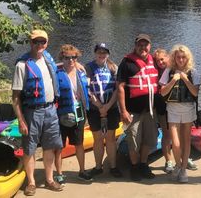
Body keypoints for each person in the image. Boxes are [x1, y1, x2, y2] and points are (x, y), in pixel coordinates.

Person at [11, 30, 63, 196]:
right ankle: (31, 182)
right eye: (36, 42)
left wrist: (75, 65)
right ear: (31, 43)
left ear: (47, 43)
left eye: (43, 42)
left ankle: (49, 179)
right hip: (32, 113)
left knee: (50, 147)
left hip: (50, 110)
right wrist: (21, 120)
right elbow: (16, 98)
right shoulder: (22, 65)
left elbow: (58, 71)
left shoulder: (48, 59)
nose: (40, 45)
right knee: (29, 148)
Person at [116, 34, 159, 181]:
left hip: (150, 111)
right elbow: (120, 87)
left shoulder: (154, 61)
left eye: (145, 44)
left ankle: (143, 164)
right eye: (140, 44)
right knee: (133, 141)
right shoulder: (127, 63)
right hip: (133, 111)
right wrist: (123, 111)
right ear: (135, 46)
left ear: (150, 46)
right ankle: (134, 167)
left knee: (149, 139)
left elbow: (169, 64)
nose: (143, 47)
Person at [159, 44, 199, 183]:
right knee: (175, 143)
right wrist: (174, 79)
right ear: (174, 58)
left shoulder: (192, 72)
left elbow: (195, 92)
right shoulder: (169, 71)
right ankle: (177, 164)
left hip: (188, 108)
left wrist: (185, 79)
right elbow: (163, 92)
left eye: (183, 57)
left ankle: (183, 169)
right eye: (178, 57)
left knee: (186, 140)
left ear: (187, 58)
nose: (181, 60)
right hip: (173, 108)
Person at [53, 44, 91, 183]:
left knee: (79, 143)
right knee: (59, 145)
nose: (71, 60)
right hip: (61, 113)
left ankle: (82, 171)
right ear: (62, 58)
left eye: (74, 57)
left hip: (78, 112)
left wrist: (77, 63)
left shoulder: (81, 72)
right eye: (67, 58)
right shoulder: (56, 72)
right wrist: (61, 63)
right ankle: (59, 173)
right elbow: (48, 64)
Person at [85, 43, 122, 178]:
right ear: (95, 53)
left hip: (111, 108)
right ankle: (98, 167)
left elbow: (118, 89)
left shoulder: (113, 67)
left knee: (111, 138)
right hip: (95, 109)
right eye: (99, 52)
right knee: (98, 139)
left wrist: (107, 106)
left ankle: (113, 167)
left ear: (108, 54)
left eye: (104, 52)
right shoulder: (88, 67)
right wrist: (100, 106)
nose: (101, 54)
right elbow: (87, 88)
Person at [153, 49, 175, 173]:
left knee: (179, 133)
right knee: (167, 135)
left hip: (176, 106)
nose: (160, 62)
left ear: (167, 57)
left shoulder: (175, 68)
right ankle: (168, 161)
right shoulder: (155, 72)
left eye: (162, 59)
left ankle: (184, 157)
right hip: (162, 106)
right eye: (157, 60)